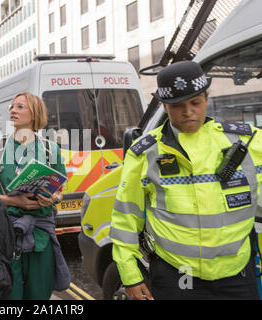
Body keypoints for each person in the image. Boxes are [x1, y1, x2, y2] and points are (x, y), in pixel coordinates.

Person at [110, 60, 262, 300]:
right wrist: (130, 274)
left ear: (206, 100)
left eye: (195, 103)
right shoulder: (145, 153)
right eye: (178, 105)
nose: (188, 112)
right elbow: (126, 217)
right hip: (177, 277)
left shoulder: (251, 142)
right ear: (164, 106)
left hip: (237, 276)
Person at [0, 92, 70, 300]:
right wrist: (12, 201)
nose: (13, 110)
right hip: (3, 234)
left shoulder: (50, 149)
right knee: (7, 295)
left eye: (20, 107)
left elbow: (59, 191)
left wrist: (52, 199)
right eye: (12, 106)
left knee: (39, 295)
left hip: (40, 236)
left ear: (34, 114)